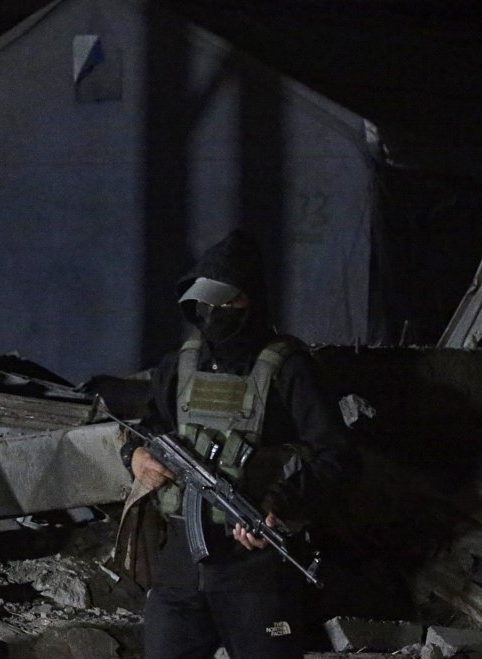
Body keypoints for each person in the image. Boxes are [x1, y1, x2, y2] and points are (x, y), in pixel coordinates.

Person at [118, 228, 359, 658]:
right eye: (209, 303)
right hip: (179, 558)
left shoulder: (288, 368)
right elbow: (149, 427)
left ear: (253, 300)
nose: (218, 313)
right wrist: (134, 457)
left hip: (254, 566)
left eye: (230, 302)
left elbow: (335, 455)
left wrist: (281, 509)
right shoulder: (180, 365)